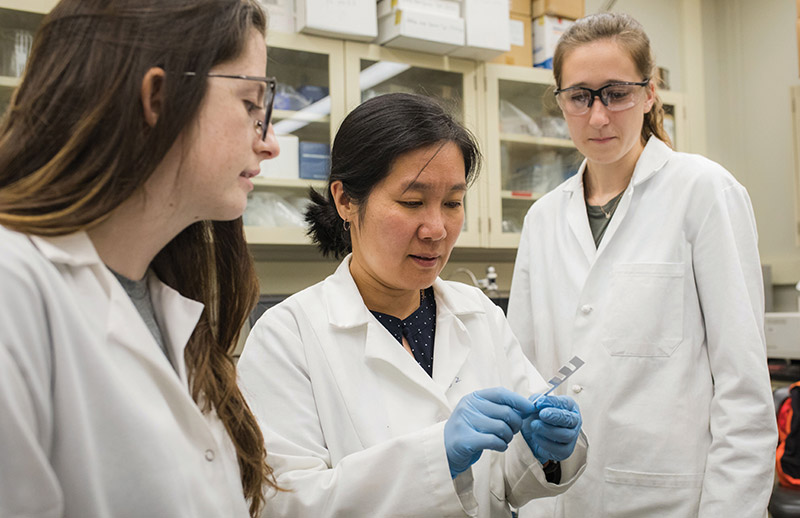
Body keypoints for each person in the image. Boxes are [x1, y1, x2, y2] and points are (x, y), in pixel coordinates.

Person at [237, 92, 588, 517]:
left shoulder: (479, 314)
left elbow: (503, 485)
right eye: (412, 202)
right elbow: (282, 503)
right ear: (345, 200)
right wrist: (436, 457)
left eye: (453, 203)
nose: (436, 228)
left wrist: (543, 450)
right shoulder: (286, 337)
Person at [0, 1, 280, 517]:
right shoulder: (12, 289)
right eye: (250, 105)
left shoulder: (166, 303)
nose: (270, 143)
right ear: (159, 97)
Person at [507, 12, 777, 518]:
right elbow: (523, 371)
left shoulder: (703, 192)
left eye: (616, 93)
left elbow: (742, 389)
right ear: (561, 102)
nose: (598, 116)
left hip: (671, 500)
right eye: (580, 97)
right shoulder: (543, 219)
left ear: (649, 93)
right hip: (558, 500)